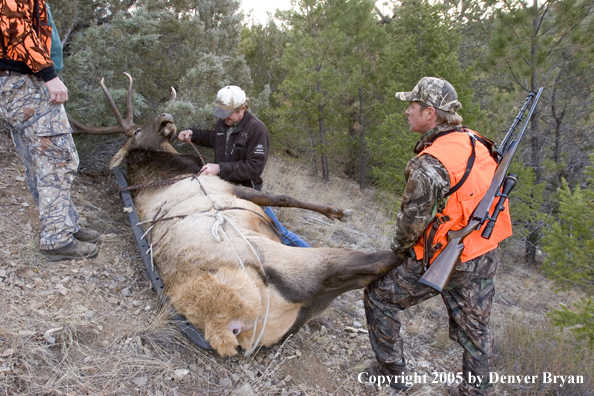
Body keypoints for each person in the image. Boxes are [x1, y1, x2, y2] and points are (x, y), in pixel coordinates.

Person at [363, 77, 512, 395]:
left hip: (444, 256)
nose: (406, 112)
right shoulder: (477, 141)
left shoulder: (431, 163)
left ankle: (392, 374)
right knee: (477, 332)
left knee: (380, 298)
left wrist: (397, 252)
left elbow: (411, 225)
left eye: (412, 106)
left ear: (429, 113)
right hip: (482, 252)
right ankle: (476, 391)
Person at [0, 0, 100, 261]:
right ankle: (56, 238)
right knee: (58, 158)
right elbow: (16, 28)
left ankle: (67, 225)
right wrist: (48, 74)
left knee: (37, 160)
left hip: (14, 83)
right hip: (25, 82)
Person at [177, 85, 310, 247]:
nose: (225, 117)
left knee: (278, 234)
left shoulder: (257, 129)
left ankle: (316, 261)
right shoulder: (223, 123)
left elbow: (254, 167)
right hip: (223, 190)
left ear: (243, 108)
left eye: (229, 113)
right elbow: (213, 138)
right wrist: (193, 134)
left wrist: (219, 169)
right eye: (222, 113)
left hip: (248, 193)